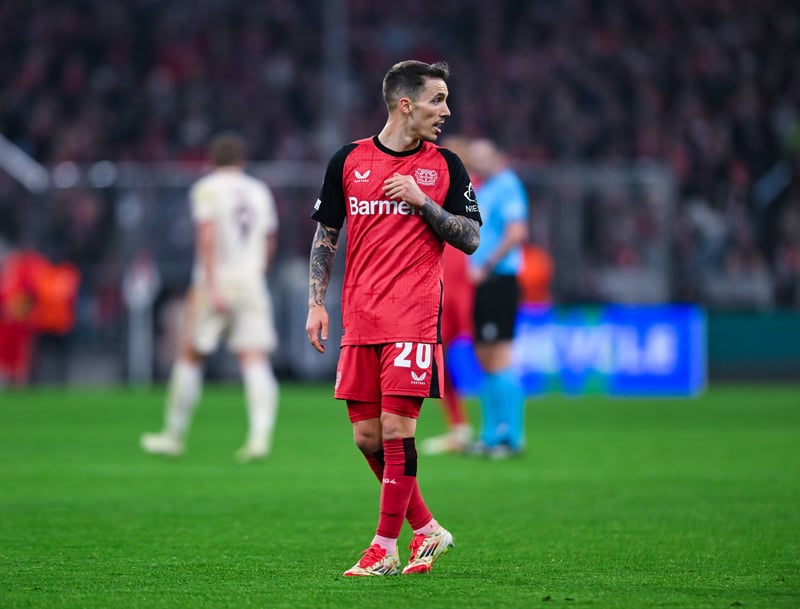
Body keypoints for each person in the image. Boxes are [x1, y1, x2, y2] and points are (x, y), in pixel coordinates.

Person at [305, 60, 481, 577]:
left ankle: (383, 548)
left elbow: (472, 238)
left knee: (396, 427)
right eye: (437, 100)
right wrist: (315, 302)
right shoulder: (348, 160)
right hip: (360, 315)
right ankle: (426, 528)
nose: (446, 111)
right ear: (406, 104)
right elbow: (326, 234)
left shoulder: (445, 166)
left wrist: (423, 202)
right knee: (367, 438)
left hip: (414, 315)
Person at [141, 132, 280, 463]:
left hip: (216, 279)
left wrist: (209, 284)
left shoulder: (207, 188)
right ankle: (259, 438)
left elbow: (207, 235)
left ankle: (173, 435)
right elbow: (269, 239)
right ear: (241, 161)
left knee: (190, 354)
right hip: (251, 280)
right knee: (254, 359)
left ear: (211, 160)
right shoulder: (259, 190)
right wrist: (257, 273)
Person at [465, 138, 528, 459]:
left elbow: (516, 232)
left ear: (497, 157)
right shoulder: (484, 188)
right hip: (483, 283)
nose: (478, 162)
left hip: (499, 280)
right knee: (485, 357)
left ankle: (511, 437)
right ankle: (490, 435)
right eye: (474, 158)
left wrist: (487, 265)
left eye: (483, 157)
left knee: (499, 356)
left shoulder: (507, 185)